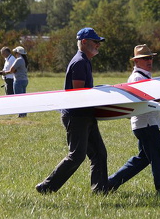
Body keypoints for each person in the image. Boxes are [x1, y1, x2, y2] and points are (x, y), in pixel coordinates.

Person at [35, 27, 108, 194]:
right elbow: (78, 94)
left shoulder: (84, 61)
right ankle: (47, 187)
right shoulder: (80, 62)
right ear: (84, 42)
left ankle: (100, 190)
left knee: (99, 153)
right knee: (77, 155)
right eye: (96, 42)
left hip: (85, 115)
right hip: (77, 116)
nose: (98, 45)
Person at [108, 44, 160, 193]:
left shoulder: (145, 76)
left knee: (143, 159)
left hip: (146, 124)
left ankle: (110, 183)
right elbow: (141, 101)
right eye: (145, 59)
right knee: (158, 158)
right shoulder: (138, 77)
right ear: (136, 62)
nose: (149, 61)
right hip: (147, 125)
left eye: (150, 58)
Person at [1, 46, 28, 117]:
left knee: (18, 98)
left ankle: (21, 114)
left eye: (15, 52)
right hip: (25, 80)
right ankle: (24, 113)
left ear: (18, 53)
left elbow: (11, 70)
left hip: (18, 80)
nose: (15, 54)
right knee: (23, 97)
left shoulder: (19, 60)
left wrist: (4, 73)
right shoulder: (24, 60)